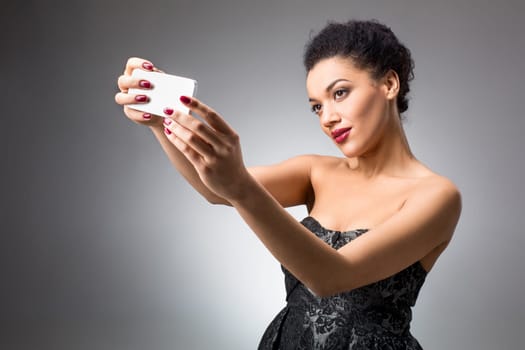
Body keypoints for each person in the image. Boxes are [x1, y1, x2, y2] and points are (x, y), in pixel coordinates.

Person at [115, 19, 461, 350]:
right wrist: (160, 120)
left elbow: (331, 276)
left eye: (340, 93)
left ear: (388, 85)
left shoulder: (436, 196)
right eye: (316, 107)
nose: (327, 118)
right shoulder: (315, 172)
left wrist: (241, 187)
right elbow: (215, 190)